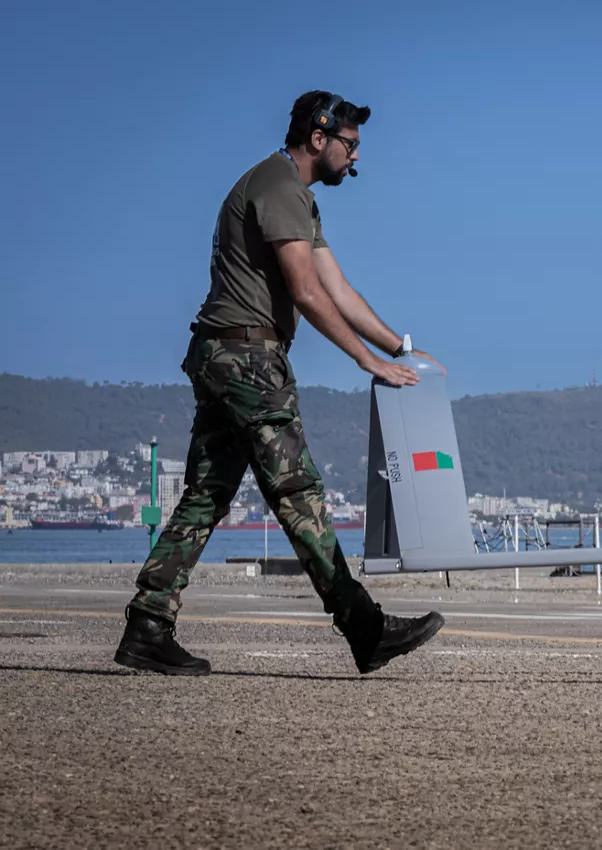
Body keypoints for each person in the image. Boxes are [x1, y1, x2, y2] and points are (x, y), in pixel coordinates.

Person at [114, 90, 446, 677]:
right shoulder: (279, 188)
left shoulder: (293, 196)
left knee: (207, 494)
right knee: (297, 493)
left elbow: (337, 287)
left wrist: (401, 348)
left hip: (226, 355)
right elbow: (308, 293)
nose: (356, 158)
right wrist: (366, 362)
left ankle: (147, 624)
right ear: (319, 138)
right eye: (351, 145)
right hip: (247, 360)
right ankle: (364, 629)